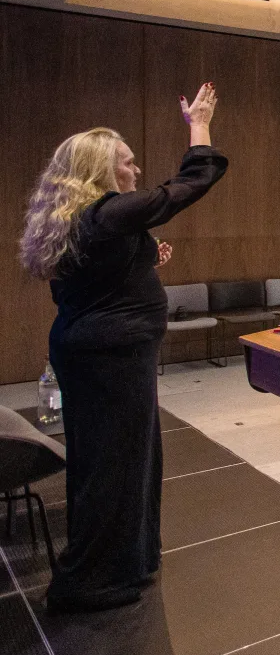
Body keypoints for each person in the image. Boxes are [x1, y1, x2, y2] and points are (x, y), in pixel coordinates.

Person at [19, 84, 226, 611]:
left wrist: (141, 262)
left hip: (100, 355)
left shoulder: (81, 218)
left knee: (119, 462)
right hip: (109, 361)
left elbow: (96, 281)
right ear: (99, 170)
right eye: (127, 164)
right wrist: (198, 127)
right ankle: (93, 581)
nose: (135, 172)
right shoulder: (107, 212)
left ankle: (127, 561)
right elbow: (189, 183)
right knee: (114, 467)